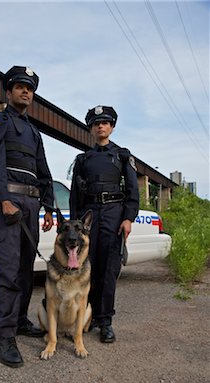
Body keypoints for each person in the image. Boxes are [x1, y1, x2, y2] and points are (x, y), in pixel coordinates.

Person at [0, 66, 54, 368]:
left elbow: (43, 170)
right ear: (8, 91)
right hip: (9, 205)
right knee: (9, 271)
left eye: (30, 88)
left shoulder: (35, 132)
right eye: (20, 86)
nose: (26, 91)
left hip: (31, 205)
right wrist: (3, 200)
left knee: (26, 270)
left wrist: (49, 206)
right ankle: (6, 335)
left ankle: (21, 320)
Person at [70, 105, 139, 343]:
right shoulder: (82, 159)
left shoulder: (122, 155)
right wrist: (74, 225)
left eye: (106, 122)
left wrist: (128, 218)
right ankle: (87, 316)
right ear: (90, 128)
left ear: (112, 127)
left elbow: (132, 190)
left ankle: (105, 321)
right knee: (88, 269)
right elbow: (74, 196)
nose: (101, 126)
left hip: (113, 213)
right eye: (97, 123)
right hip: (88, 216)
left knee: (109, 269)